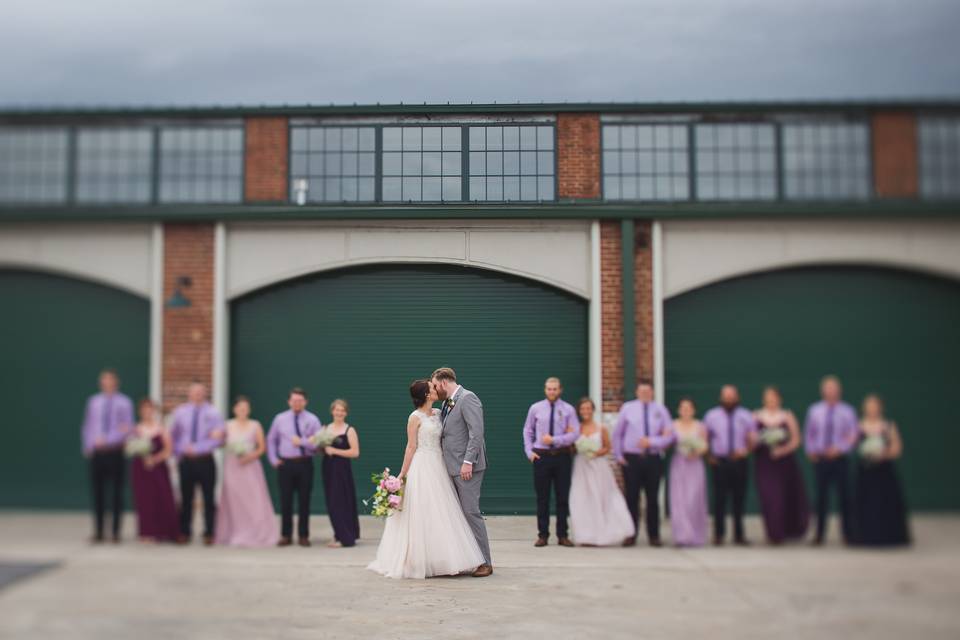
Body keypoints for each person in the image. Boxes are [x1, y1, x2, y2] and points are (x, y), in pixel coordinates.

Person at [367, 379, 486, 579]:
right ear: (426, 395)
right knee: (424, 512)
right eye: (432, 388)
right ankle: (417, 560)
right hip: (422, 466)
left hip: (440, 465)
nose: (436, 389)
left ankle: (443, 558)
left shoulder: (440, 413)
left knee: (444, 513)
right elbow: (411, 447)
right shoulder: (414, 417)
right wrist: (402, 475)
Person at [432, 367, 493, 576]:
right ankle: (469, 558)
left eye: (435, 385)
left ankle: (485, 562)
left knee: (470, 512)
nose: (434, 389)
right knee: (459, 515)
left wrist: (468, 462)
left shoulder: (468, 398)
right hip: (452, 465)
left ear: (443, 382)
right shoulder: (446, 403)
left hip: (467, 467)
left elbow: (476, 432)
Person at [612, 379, 673, 547]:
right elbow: (617, 434)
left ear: (652, 392)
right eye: (642, 391)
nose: (645, 394)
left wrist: (652, 442)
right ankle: (631, 534)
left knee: (653, 499)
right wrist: (618, 456)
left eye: (648, 391)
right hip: (632, 459)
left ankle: (654, 536)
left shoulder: (660, 410)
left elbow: (669, 436)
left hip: (653, 459)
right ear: (637, 393)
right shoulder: (628, 408)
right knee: (631, 497)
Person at [522, 377, 581, 547]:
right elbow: (527, 430)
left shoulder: (568, 410)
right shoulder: (536, 408)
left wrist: (555, 439)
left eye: (555, 389)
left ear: (560, 390)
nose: (552, 392)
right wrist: (529, 451)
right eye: (549, 389)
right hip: (542, 457)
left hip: (562, 457)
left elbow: (575, 434)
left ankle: (563, 535)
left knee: (562, 497)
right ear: (545, 390)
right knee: (543, 498)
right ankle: (543, 535)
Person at [568, 397, 635, 546]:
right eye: (583, 409)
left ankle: (604, 533)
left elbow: (607, 447)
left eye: (588, 408)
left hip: (599, 467)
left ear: (593, 410)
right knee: (580, 498)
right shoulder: (576, 428)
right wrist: (577, 446)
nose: (585, 411)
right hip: (581, 466)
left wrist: (595, 453)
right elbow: (571, 448)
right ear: (579, 411)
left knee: (602, 498)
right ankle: (586, 535)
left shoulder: (601, 428)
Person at [215, 396, 279, 548]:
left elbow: (262, 448)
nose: (242, 410)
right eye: (240, 408)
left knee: (254, 499)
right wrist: (219, 439)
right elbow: (221, 444)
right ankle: (235, 532)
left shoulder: (255, 425)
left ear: (248, 410)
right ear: (235, 409)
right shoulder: (227, 425)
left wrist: (248, 457)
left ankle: (257, 532)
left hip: (250, 468)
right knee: (234, 501)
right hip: (232, 467)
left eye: (245, 408)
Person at [81, 369, 134, 543]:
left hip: (115, 451)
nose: (107, 383)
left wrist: (109, 440)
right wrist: (89, 444)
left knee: (116, 493)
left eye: (110, 380)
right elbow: (88, 425)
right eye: (104, 380)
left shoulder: (124, 403)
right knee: (98, 493)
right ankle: (98, 531)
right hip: (97, 453)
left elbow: (127, 428)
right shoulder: (94, 401)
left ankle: (116, 532)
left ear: (116, 382)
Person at [804, 375, 858, 546]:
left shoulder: (848, 411)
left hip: (840, 459)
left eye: (833, 388)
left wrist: (840, 448)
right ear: (822, 391)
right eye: (827, 388)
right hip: (821, 460)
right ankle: (819, 535)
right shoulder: (814, 410)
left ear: (839, 390)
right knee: (821, 498)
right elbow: (809, 432)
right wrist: (810, 450)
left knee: (845, 497)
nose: (830, 391)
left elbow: (853, 435)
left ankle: (848, 534)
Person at [753, 386, 810, 544]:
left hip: (784, 463)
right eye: (768, 397)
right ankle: (773, 532)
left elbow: (796, 439)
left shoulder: (787, 416)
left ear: (779, 399)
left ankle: (785, 531)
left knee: (784, 496)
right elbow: (750, 439)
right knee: (769, 496)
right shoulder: (756, 416)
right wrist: (758, 441)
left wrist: (782, 450)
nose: (771, 400)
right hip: (764, 463)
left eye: (774, 397)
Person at [852, 394, 910, 547]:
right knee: (867, 502)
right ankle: (865, 535)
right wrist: (864, 450)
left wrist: (883, 454)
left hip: (883, 472)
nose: (872, 408)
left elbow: (897, 448)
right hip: (865, 472)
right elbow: (851, 445)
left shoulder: (888, 425)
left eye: (875, 405)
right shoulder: (858, 426)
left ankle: (887, 535)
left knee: (885, 502)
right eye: (869, 405)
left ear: (880, 407)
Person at [170, 382, 225, 545]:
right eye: (194, 391)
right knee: (186, 497)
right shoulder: (180, 412)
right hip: (186, 461)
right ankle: (184, 531)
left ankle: (209, 532)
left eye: (200, 391)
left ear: (205, 393)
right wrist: (180, 450)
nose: (197, 394)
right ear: (189, 393)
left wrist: (198, 448)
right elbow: (174, 436)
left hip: (205, 460)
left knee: (209, 497)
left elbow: (220, 438)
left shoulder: (214, 413)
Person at [267, 387, 322, 547]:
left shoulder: (312, 420)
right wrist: (273, 459)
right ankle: (286, 535)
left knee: (304, 500)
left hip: (304, 463)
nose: (297, 403)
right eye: (294, 400)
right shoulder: (280, 419)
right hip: (286, 464)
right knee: (286, 501)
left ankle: (303, 535)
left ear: (305, 402)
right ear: (289, 401)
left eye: (300, 400)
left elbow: (318, 444)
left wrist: (303, 442)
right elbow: (271, 439)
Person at [703, 384, 756, 546]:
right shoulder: (712, 416)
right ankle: (719, 535)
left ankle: (739, 535)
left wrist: (746, 451)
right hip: (720, 462)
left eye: (731, 396)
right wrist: (708, 455)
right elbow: (705, 437)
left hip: (739, 462)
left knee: (738, 499)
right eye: (726, 396)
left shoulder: (746, 415)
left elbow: (753, 438)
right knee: (719, 500)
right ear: (721, 397)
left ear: (737, 397)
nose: (729, 399)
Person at [129, 398, 179, 543]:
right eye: (144, 409)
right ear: (140, 411)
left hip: (158, 469)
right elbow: (131, 447)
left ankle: (162, 531)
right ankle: (146, 532)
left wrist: (155, 459)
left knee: (160, 498)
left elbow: (168, 450)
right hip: (140, 469)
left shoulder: (161, 428)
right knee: (143, 500)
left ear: (154, 411)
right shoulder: (136, 429)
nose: (147, 411)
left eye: (150, 409)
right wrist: (139, 453)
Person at [667, 397, 709, 547]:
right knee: (679, 500)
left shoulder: (700, 426)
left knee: (693, 499)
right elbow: (666, 442)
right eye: (683, 408)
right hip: (679, 464)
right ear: (679, 410)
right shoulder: (672, 425)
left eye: (688, 408)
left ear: (693, 410)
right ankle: (682, 536)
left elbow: (705, 446)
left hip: (695, 465)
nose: (685, 411)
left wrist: (696, 452)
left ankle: (696, 535)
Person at [322, 398, 361, 548]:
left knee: (341, 502)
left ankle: (345, 538)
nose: (339, 412)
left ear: (346, 413)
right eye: (336, 410)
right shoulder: (326, 429)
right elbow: (323, 449)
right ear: (332, 411)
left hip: (342, 470)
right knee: (332, 503)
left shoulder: (349, 430)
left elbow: (355, 452)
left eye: (342, 410)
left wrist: (334, 451)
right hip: (328, 468)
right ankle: (338, 534)